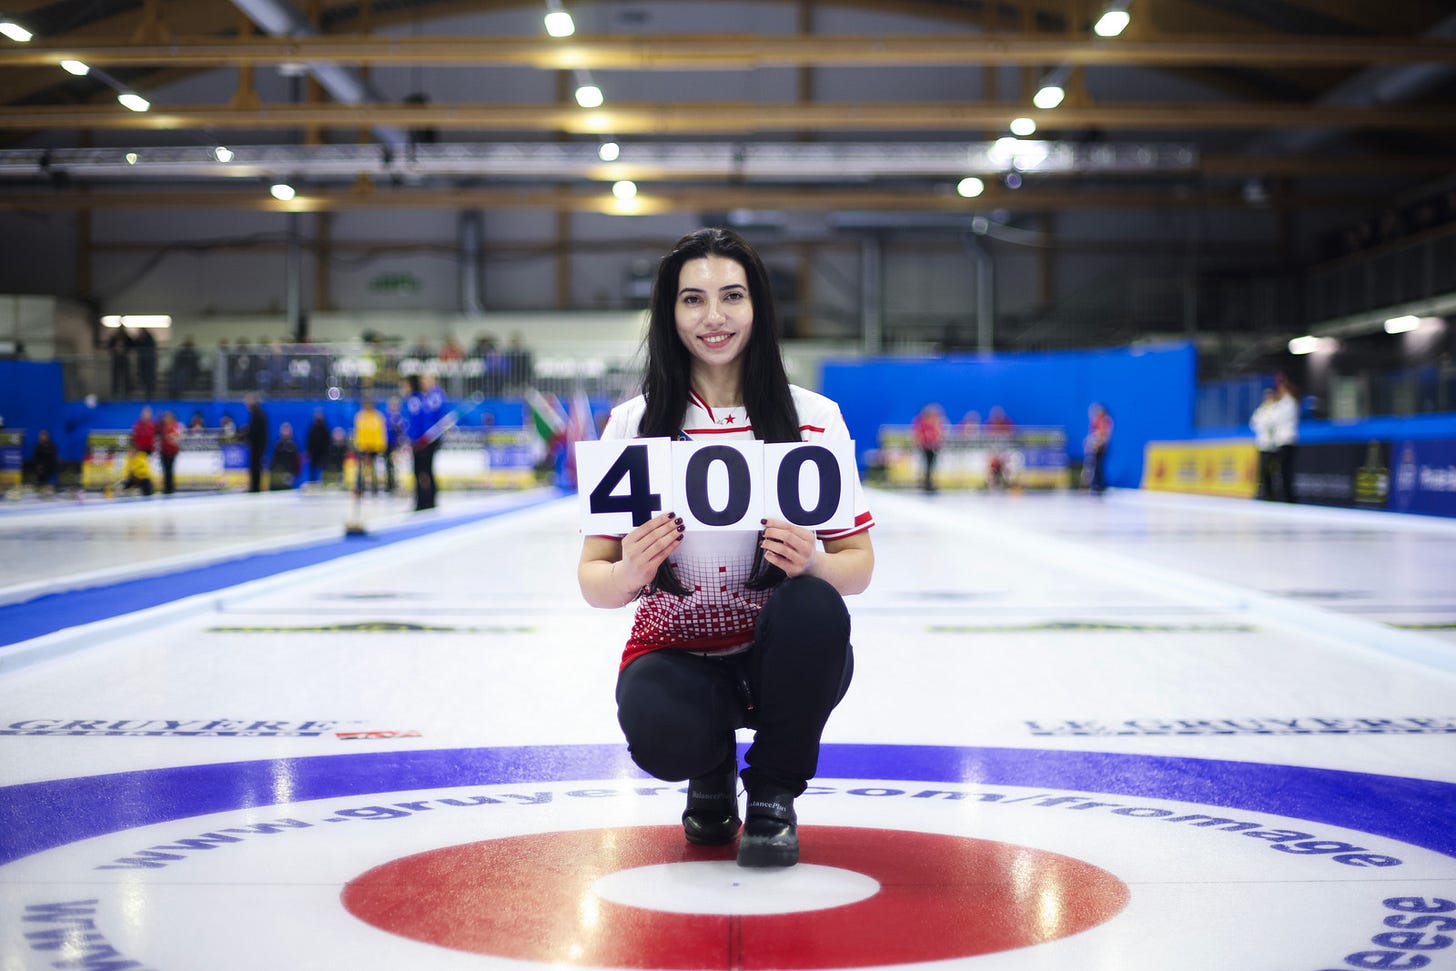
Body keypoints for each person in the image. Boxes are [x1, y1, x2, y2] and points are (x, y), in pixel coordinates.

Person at [577, 228, 875, 869]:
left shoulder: (815, 417)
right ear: (670, 313)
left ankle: (773, 794)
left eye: (732, 296)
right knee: (658, 727)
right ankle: (708, 766)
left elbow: (859, 567)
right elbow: (592, 581)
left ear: (758, 306)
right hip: (676, 655)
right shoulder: (633, 423)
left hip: (778, 656)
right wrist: (630, 570)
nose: (714, 316)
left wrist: (815, 563)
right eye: (693, 299)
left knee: (817, 606)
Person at [1271, 376, 1300, 503]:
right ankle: (1286, 495)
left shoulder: (1288, 403)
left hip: (1287, 440)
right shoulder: (1283, 403)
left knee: (1286, 470)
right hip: (1282, 440)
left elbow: (1275, 420)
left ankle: (1289, 496)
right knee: (1283, 470)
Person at [352, 397, 387, 496]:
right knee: (360, 469)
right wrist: (360, 445)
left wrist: (380, 445)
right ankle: (360, 487)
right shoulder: (360, 416)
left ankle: (374, 488)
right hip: (363, 447)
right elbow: (358, 432)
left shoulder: (377, 416)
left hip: (374, 447)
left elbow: (380, 432)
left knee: (374, 469)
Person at [1249, 388, 1280, 500]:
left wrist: (1264, 423)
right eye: (1266, 396)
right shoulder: (1261, 410)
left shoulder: (1276, 409)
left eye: (1270, 396)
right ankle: (1263, 492)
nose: (1268, 398)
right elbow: (1253, 423)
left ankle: (1271, 494)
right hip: (1262, 445)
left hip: (1272, 446)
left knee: (1271, 470)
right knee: (1262, 470)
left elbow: (1271, 423)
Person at [910, 403, 946, 493]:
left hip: (933, 447)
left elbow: (939, 434)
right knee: (925, 465)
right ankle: (925, 483)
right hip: (925, 447)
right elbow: (918, 435)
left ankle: (929, 482)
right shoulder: (921, 422)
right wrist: (922, 443)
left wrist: (936, 442)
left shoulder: (936, 422)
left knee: (931, 465)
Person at [1082, 402, 1113, 495]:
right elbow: (1092, 433)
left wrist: (1098, 442)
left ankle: (1099, 485)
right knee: (1095, 466)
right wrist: (1089, 442)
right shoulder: (1095, 421)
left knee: (1099, 466)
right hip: (1095, 446)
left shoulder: (1105, 420)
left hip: (1101, 447)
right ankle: (1095, 484)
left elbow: (1104, 434)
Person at [242, 393, 268, 493]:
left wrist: (246, 434)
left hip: (257, 445)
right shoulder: (256, 413)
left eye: (247, 402)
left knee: (255, 466)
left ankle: (255, 487)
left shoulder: (258, 414)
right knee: (255, 466)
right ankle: (254, 486)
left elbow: (255, 431)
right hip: (257, 445)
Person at [270, 421, 301, 490]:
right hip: (278, 473)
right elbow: (274, 459)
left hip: (289, 473)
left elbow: (296, 460)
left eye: (287, 430)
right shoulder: (278, 444)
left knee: (287, 490)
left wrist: (296, 472)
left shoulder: (293, 445)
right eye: (284, 430)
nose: (285, 432)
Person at [157, 410, 181, 495]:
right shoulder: (163, 427)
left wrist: (171, 438)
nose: (167, 419)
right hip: (164, 451)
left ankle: (170, 488)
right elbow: (165, 437)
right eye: (166, 417)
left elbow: (176, 439)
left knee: (170, 470)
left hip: (172, 452)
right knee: (165, 470)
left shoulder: (175, 426)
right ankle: (166, 488)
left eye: (168, 417)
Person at [305, 409, 330, 486]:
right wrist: (308, 451)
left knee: (323, 469)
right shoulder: (312, 428)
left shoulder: (325, 428)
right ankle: (312, 483)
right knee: (312, 470)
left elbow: (328, 441)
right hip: (314, 454)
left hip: (322, 454)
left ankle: (322, 483)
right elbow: (309, 440)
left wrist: (327, 452)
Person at [31, 428, 60, 494]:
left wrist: (55, 467)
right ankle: (41, 491)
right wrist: (38, 467)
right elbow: (35, 458)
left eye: (44, 435)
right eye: (41, 435)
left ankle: (51, 491)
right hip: (41, 470)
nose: (43, 437)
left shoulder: (52, 445)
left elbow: (55, 457)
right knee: (40, 486)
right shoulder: (38, 446)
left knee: (52, 485)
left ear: (47, 436)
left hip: (51, 469)